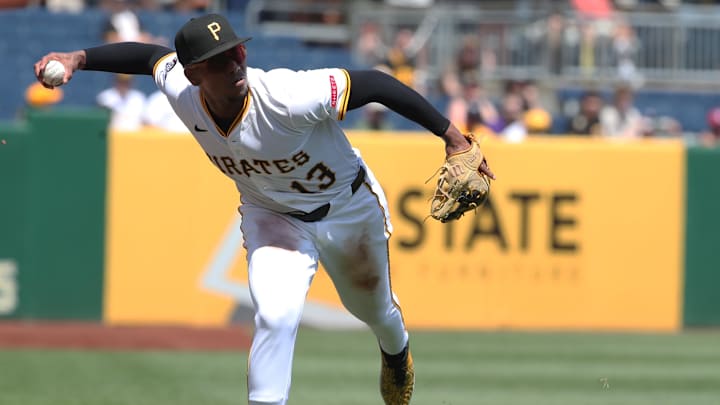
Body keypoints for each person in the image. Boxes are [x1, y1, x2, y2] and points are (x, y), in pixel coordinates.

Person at [34, 13, 494, 405]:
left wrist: (451, 135)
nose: (235, 62)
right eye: (219, 60)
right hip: (272, 214)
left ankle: (396, 351)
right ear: (194, 74)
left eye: (236, 51)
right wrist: (79, 58)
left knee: (373, 311)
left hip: (346, 207)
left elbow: (373, 84)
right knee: (274, 315)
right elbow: (149, 57)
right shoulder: (181, 92)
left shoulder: (287, 96)